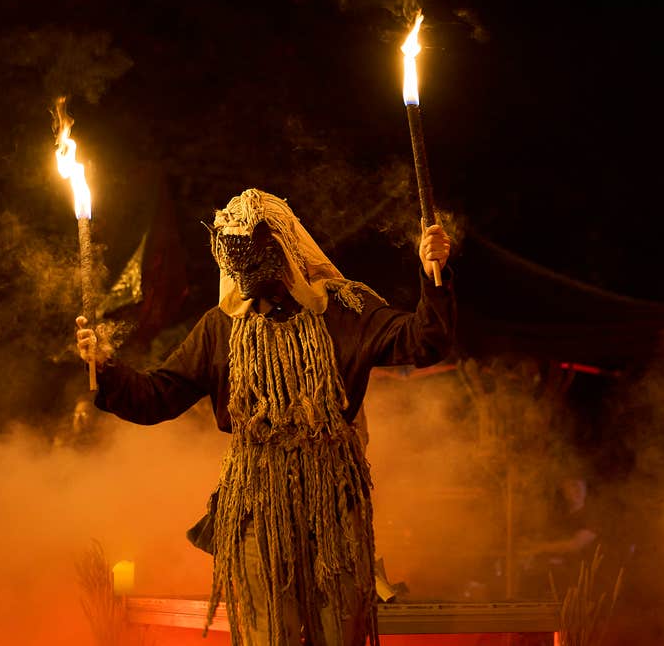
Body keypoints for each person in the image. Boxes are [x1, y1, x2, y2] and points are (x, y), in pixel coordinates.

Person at [75, 188, 454, 645]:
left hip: (333, 501)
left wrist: (433, 276)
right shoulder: (221, 327)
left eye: (258, 255)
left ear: (286, 247)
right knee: (268, 633)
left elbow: (423, 340)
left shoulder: (345, 310)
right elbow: (156, 397)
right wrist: (106, 367)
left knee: (339, 631)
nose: (249, 274)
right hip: (256, 505)